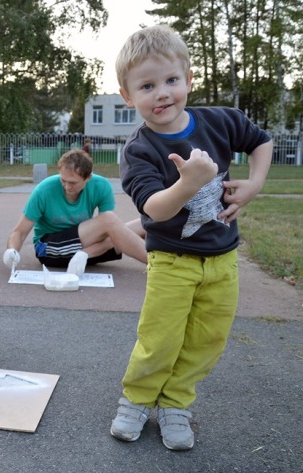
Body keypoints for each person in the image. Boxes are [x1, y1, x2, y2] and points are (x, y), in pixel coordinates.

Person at [110, 25, 272, 451]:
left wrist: (254, 184)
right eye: (147, 86)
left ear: (188, 79)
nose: (162, 93)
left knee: (207, 338)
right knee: (160, 336)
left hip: (222, 260)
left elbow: (261, 143)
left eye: (171, 81)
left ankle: (176, 403)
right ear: (128, 97)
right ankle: (137, 399)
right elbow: (153, 209)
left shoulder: (220, 121)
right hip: (172, 261)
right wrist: (191, 182)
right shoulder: (139, 149)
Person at [3, 149, 147, 276]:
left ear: (88, 178)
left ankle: (163, 261)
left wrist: (85, 254)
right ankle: (160, 266)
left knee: (144, 223)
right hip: (48, 247)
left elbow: (111, 232)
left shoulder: (101, 186)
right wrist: (12, 251)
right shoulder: (44, 190)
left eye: (73, 183)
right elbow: (19, 232)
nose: (67, 186)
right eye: (63, 180)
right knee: (110, 221)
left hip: (83, 246)